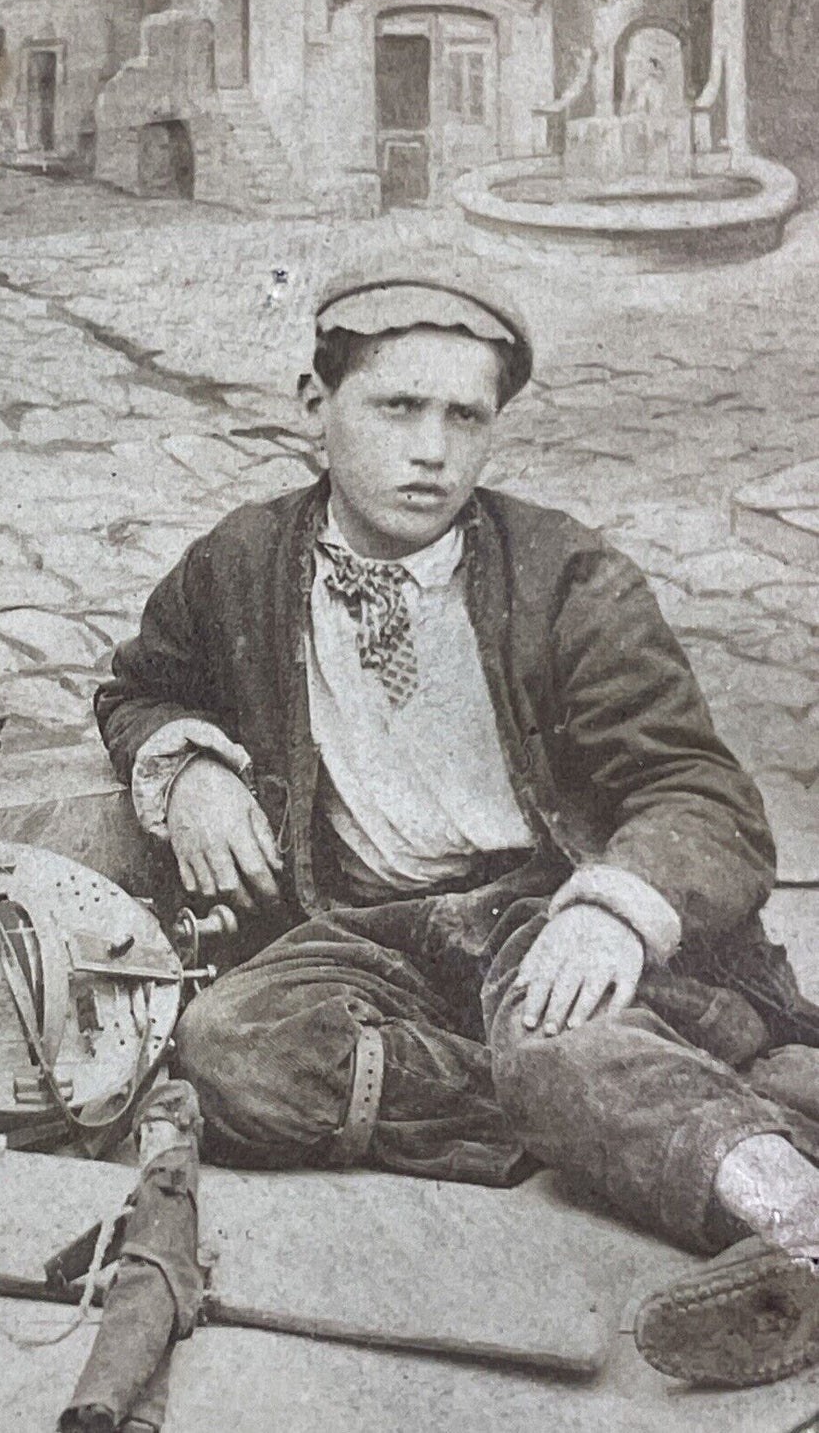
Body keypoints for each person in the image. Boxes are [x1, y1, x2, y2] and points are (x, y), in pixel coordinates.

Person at [94, 263, 819, 1388]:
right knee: (228, 1047)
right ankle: (681, 1096)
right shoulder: (239, 562)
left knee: (557, 1028)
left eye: (463, 417)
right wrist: (185, 766)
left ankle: (798, 1226)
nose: (429, 450)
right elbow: (140, 683)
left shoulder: (563, 574)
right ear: (313, 407)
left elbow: (697, 790)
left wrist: (616, 915)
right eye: (395, 408)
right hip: (371, 930)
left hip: (539, 907)